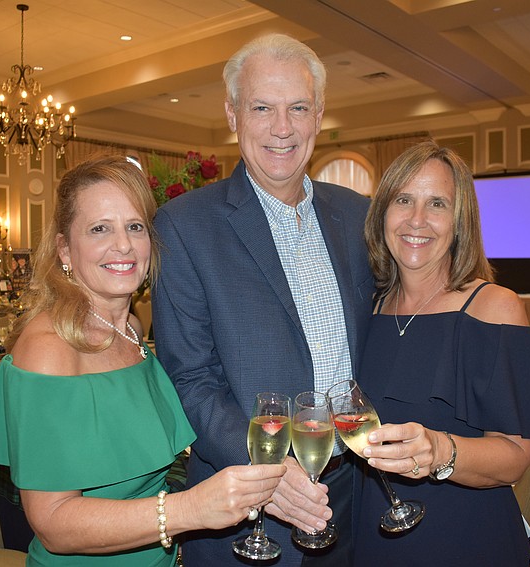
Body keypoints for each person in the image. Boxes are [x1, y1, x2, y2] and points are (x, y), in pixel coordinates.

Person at [0, 155, 285, 566]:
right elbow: (53, 522)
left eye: (135, 226)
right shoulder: (50, 347)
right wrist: (189, 510)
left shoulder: (131, 327)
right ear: (65, 247)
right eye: (100, 228)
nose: (124, 245)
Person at [152, 34, 375, 566]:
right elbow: (190, 378)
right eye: (262, 108)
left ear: (318, 115)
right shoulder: (185, 226)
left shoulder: (359, 215)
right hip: (247, 504)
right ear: (232, 115)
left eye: (298, 107)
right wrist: (270, 475)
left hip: (354, 492)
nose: (282, 127)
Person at [356, 140, 530, 565]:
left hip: (462, 538)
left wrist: (439, 450)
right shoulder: (368, 306)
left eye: (437, 203)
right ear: (382, 213)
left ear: (460, 220)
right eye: (404, 200)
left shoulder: (494, 307)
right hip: (369, 532)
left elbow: (515, 458)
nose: (417, 220)